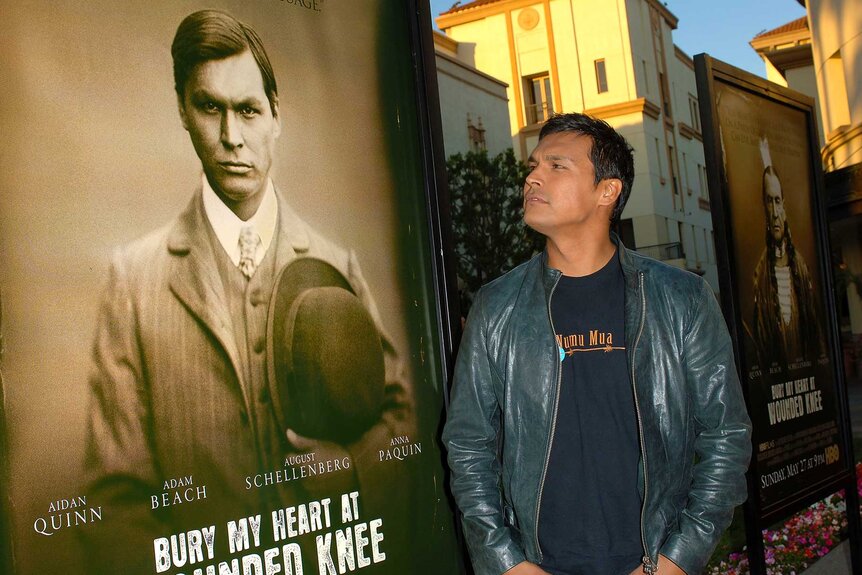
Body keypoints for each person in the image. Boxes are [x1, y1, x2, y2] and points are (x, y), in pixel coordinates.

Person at [83, 10, 412, 572]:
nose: (232, 137)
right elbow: (115, 505)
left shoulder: (337, 264)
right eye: (210, 108)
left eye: (249, 110)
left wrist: (354, 471)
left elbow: (402, 425)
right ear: (184, 113)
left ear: (276, 116)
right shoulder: (132, 280)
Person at [443, 113, 751, 575]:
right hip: (538, 565)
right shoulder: (497, 306)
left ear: (607, 191)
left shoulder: (680, 298)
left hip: (649, 564)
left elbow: (726, 436)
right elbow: (468, 444)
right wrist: (506, 563)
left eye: (556, 166)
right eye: (533, 166)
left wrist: (674, 562)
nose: (532, 177)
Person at [751, 162, 824, 372]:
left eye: (777, 201)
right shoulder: (761, 273)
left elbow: (816, 334)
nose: (775, 212)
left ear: (784, 203)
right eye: (768, 202)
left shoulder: (800, 266)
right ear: (764, 207)